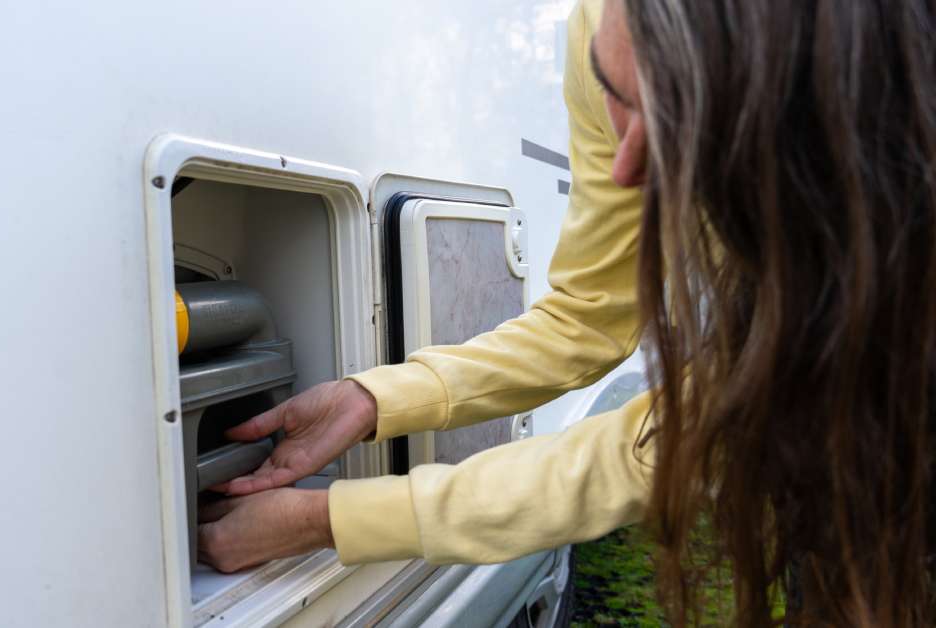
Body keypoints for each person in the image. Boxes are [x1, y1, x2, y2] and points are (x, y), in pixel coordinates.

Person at [204, 0, 936, 625]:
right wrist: (377, 397)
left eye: (690, 121)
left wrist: (330, 521)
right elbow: (588, 315)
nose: (629, 171)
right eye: (618, 93)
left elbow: (674, 443)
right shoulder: (604, 26)